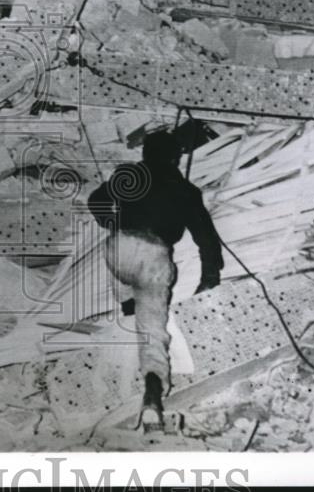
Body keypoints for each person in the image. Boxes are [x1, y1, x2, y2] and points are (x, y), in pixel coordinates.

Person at [87, 129, 224, 431]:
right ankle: (152, 392)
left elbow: (96, 201)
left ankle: (127, 311)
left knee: (129, 297)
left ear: (145, 154)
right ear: (175, 158)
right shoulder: (185, 190)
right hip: (153, 255)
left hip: (118, 250)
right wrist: (209, 275)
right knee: (152, 329)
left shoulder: (130, 174)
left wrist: (114, 224)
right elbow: (206, 238)